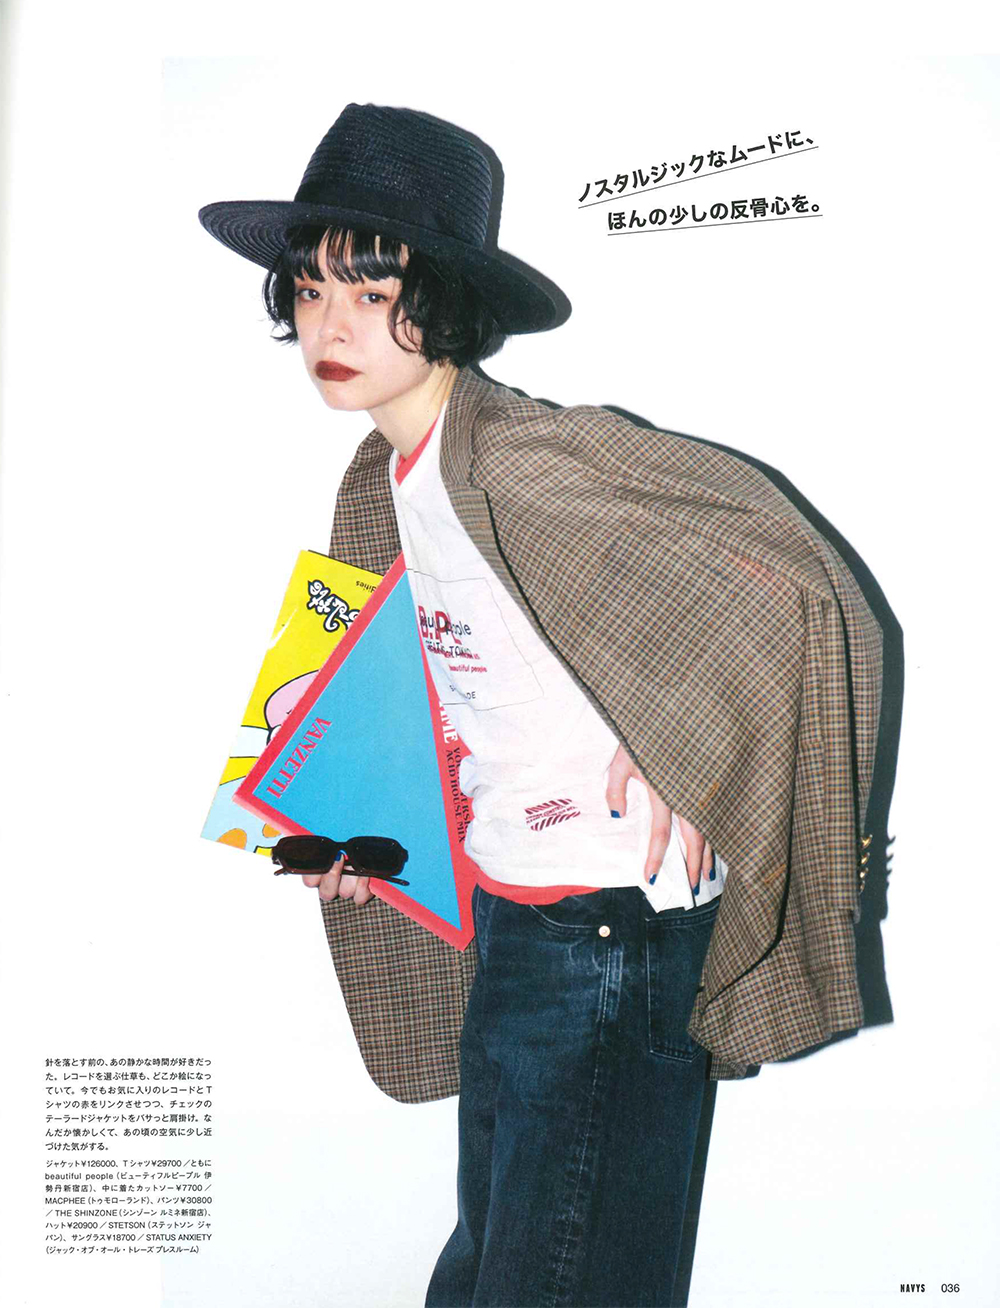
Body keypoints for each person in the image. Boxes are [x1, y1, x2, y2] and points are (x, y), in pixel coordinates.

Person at [200, 103, 884, 1307]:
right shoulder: (384, 484)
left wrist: (686, 742)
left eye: (370, 292)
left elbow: (790, 581)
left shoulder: (526, 454)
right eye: (309, 291)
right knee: (499, 1275)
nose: (330, 325)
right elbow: (434, 711)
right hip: (521, 928)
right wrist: (360, 838)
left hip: (607, 932)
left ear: (445, 305)